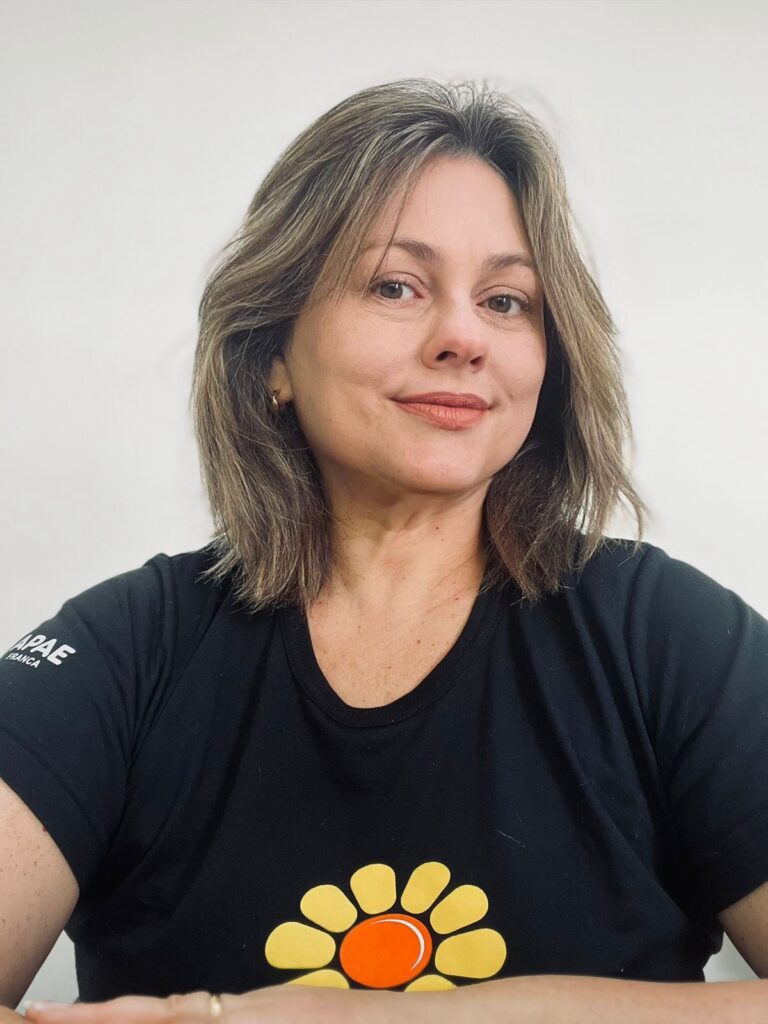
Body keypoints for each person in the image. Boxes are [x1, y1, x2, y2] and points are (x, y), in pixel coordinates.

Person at [3, 78, 768, 1024]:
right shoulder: (123, 653)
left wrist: (322, 1017)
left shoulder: (670, 638)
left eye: (507, 300)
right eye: (395, 286)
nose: (463, 337)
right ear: (271, 351)